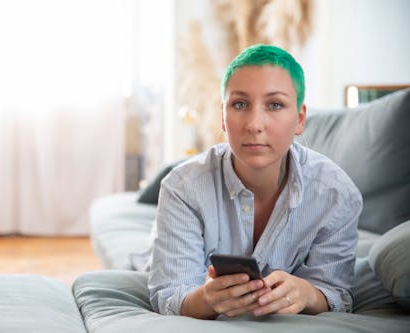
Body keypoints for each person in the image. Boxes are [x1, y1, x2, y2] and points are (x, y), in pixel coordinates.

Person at [145, 44, 363, 319]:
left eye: (275, 105)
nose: (254, 124)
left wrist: (306, 293)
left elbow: (336, 295)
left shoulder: (337, 195)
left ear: (299, 118)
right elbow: (170, 294)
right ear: (223, 117)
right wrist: (207, 299)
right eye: (239, 104)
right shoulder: (182, 186)